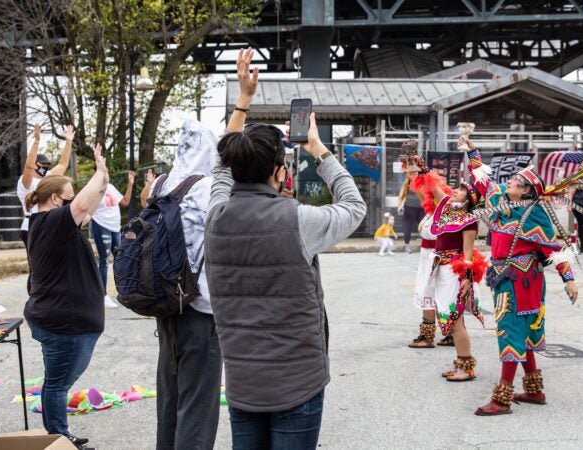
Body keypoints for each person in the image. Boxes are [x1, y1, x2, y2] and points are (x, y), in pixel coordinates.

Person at [205, 48, 366, 449]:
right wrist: (319, 149)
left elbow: (221, 166)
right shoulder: (299, 221)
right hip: (298, 381)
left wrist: (243, 100)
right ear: (281, 172)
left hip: (242, 381)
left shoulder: (215, 217)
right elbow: (354, 206)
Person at [460, 138, 579, 416]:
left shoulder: (535, 215)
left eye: (514, 181)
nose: (509, 182)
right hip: (505, 278)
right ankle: (535, 390)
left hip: (522, 281)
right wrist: (472, 151)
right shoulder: (502, 202)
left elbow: (554, 250)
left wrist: (569, 279)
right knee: (521, 335)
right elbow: (482, 183)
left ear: (525, 191)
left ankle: (502, 398)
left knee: (511, 333)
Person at [23, 144, 108, 449]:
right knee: (58, 384)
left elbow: (90, 206)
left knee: (57, 382)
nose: (74, 199)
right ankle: (59, 438)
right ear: (56, 199)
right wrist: (97, 173)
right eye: (70, 195)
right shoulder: (51, 222)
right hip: (64, 323)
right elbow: (83, 207)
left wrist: (104, 175)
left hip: (63, 319)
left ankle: (58, 434)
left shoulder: (54, 225)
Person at [150, 120, 222, 450]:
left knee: (170, 399)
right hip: (200, 309)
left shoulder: (161, 184)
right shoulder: (211, 189)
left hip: (165, 306)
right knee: (197, 407)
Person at [410, 163, 487, 381]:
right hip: (440, 270)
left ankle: (466, 365)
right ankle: (461, 363)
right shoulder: (445, 208)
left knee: (455, 320)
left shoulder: (469, 221)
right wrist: (422, 167)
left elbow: (468, 255)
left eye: (461, 189)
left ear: (470, 199)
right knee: (448, 318)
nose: (454, 190)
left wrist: (466, 280)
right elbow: (433, 186)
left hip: (454, 273)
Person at [407, 175, 455, 349]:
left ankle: (444, 334)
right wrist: (413, 176)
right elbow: (422, 193)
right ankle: (435, 334)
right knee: (428, 293)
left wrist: (426, 177)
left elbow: (434, 192)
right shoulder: (430, 213)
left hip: (439, 259)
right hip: (427, 259)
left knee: (440, 295)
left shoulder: (447, 213)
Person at [17, 124, 75, 246]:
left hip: (46, 223)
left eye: (46, 164)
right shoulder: (26, 181)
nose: (45, 166)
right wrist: (37, 141)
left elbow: (63, 164)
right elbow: (28, 166)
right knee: (38, 263)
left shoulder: (47, 176)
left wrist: (68, 142)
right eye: (42, 164)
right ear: (35, 164)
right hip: (31, 225)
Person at [90, 170, 136, 309]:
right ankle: (102, 296)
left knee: (121, 258)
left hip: (115, 227)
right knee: (104, 260)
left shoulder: (111, 187)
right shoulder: (93, 188)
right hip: (101, 226)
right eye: (103, 172)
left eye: (107, 172)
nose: (106, 174)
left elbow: (126, 202)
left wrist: (130, 183)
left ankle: (125, 291)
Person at [397, 140, 425, 253]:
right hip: (419, 206)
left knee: (411, 225)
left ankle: (408, 246)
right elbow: (401, 195)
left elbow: (401, 195)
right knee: (423, 225)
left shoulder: (408, 181)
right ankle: (424, 244)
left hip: (413, 205)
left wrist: (400, 206)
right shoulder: (420, 180)